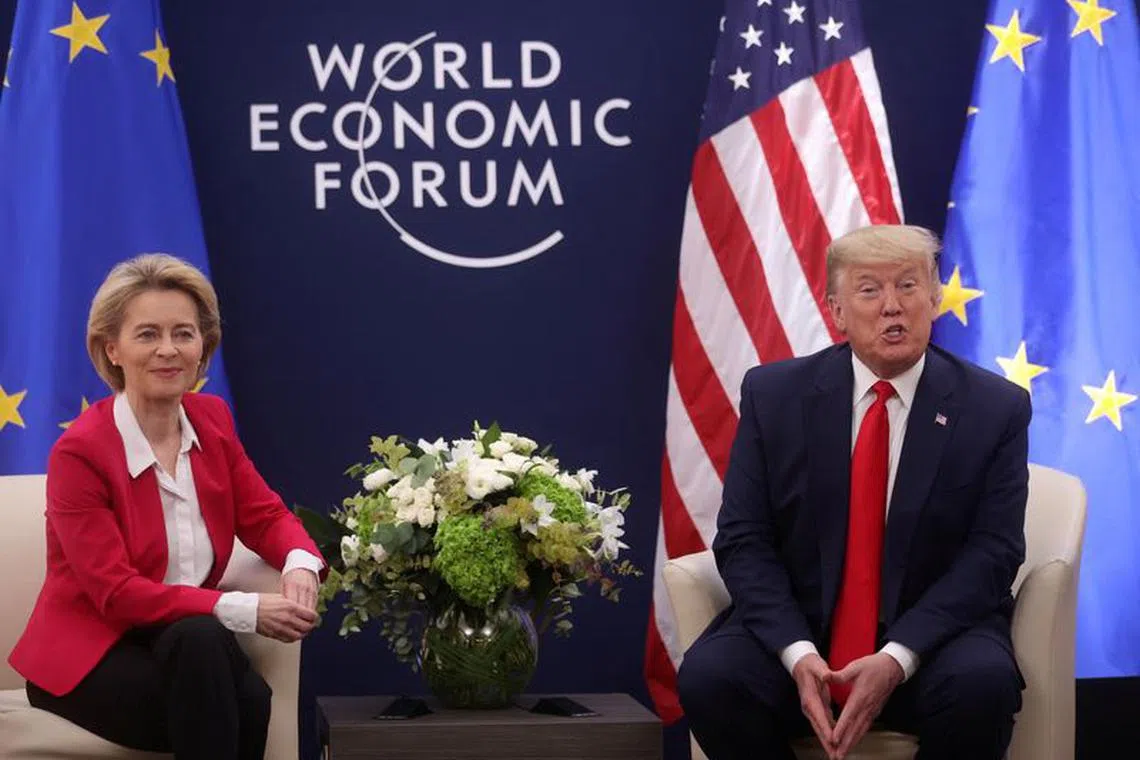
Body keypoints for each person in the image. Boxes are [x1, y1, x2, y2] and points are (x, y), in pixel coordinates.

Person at [677, 225, 1028, 760]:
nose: (893, 307)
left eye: (908, 287)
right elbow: (745, 539)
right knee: (712, 679)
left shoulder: (994, 407)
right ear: (837, 311)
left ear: (933, 300)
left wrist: (897, 656)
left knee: (982, 685)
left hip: (930, 642)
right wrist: (796, 654)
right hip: (802, 634)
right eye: (870, 290)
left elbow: (994, 552)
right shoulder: (774, 396)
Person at [8, 254, 327, 760]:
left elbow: (264, 515)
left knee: (221, 669)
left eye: (184, 333)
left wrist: (300, 564)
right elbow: (115, 592)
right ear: (112, 349)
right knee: (235, 692)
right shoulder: (81, 453)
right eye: (147, 334)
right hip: (90, 658)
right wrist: (245, 608)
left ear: (203, 348)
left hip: (185, 645)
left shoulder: (212, 419)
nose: (168, 350)